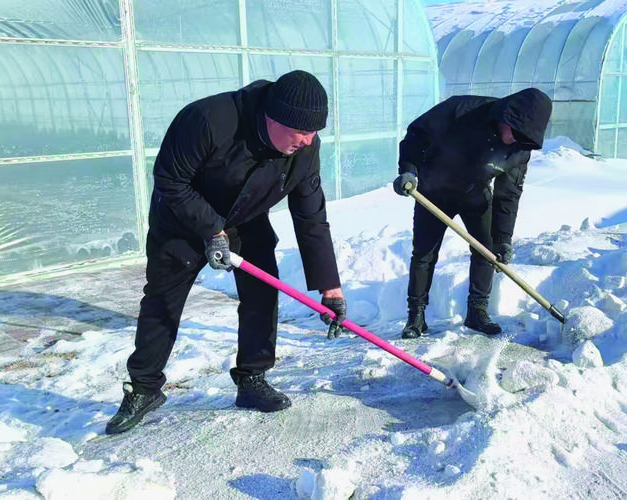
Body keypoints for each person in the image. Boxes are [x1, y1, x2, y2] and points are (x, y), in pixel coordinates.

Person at [106, 70, 347, 435]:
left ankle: (252, 377)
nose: (308, 140)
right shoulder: (209, 119)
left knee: (262, 294)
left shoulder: (304, 148)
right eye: (301, 131)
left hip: (246, 219)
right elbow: (171, 180)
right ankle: (143, 389)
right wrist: (210, 229)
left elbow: (312, 216)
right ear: (273, 117)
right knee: (162, 302)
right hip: (183, 218)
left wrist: (329, 287)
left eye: (314, 132)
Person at [392, 88, 552, 339]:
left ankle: (477, 311)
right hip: (434, 190)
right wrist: (409, 170)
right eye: (515, 133)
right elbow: (417, 134)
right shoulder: (462, 110)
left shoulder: (520, 148)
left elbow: (507, 196)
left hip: (474, 193)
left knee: (486, 251)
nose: (514, 141)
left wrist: (503, 240)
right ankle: (416, 316)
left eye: (523, 138)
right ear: (507, 118)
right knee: (424, 253)